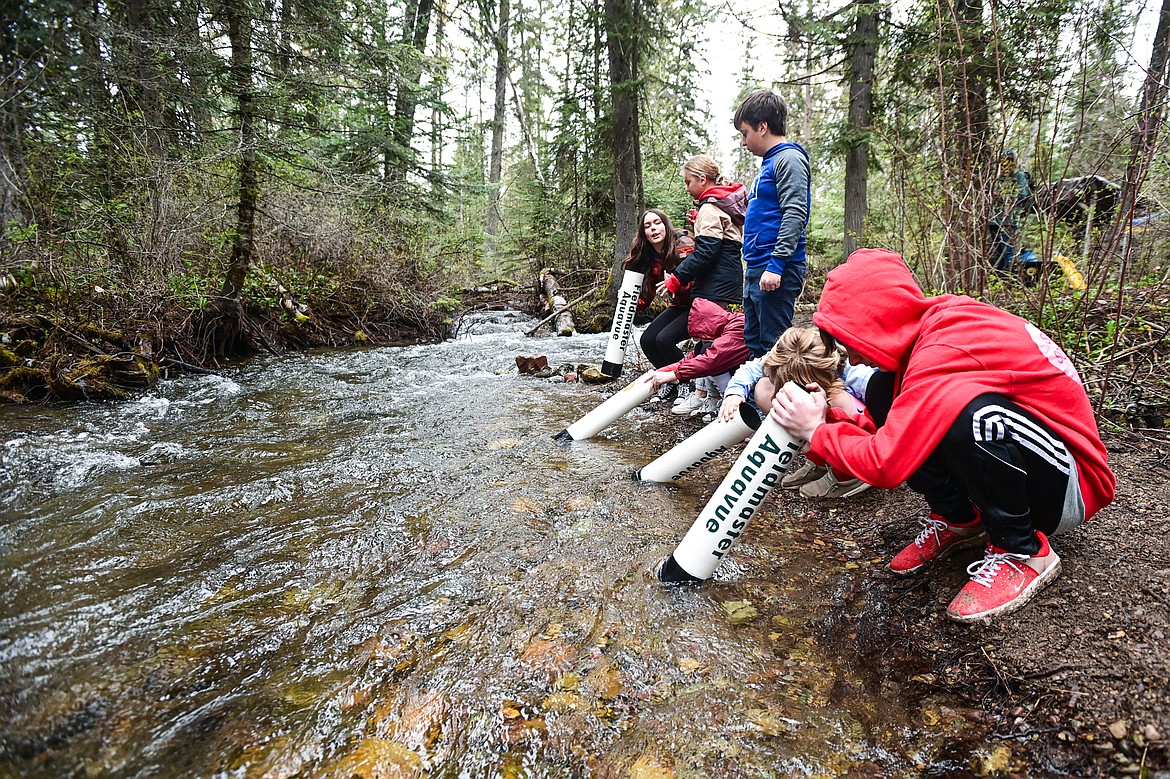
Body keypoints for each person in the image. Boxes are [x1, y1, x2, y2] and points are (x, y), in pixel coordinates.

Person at [769, 248, 1116, 623]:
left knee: (976, 416)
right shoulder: (930, 329)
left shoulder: (943, 350)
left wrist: (815, 431)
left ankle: (1023, 551)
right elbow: (893, 435)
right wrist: (830, 419)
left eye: (848, 342)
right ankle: (958, 518)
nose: (851, 360)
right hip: (1036, 467)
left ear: (874, 322)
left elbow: (886, 464)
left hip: (1072, 488)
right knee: (886, 390)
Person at [717, 326, 875, 499]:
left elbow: (887, 411)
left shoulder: (859, 374)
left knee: (838, 399)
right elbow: (750, 370)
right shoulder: (786, 355)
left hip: (858, 427)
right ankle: (820, 460)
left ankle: (848, 474)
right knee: (764, 387)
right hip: (819, 419)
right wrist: (734, 394)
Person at [733, 89, 811, 358]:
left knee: (774, 347)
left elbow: (795, 213)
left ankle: (782, 399)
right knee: (754, 342)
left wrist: (776, 265)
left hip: (776, 268)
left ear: (762, 127)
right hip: (757, 266)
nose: (744, 142)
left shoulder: (789, 159)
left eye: (745, 133)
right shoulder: (769, 164)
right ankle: (755, 401)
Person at [648, 298, 752, 422]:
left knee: (707, 354)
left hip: (755, 379)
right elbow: (692, 358)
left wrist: (674, 375)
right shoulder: (726, 325)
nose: (700, 340)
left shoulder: (737, 328)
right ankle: (716, 399)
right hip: (744, 371)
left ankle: (730, 404)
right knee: (702, 350)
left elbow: (711, 360)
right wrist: (663, 371)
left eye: (701, 336)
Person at [989, 151, 1033, 270]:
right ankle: (1001, 278)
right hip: (993, 220)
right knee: (998, 253)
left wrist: (1002, 196)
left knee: (1009, 252)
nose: (1004, 164)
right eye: (1002, 161)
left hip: (1009, 220)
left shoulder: (1019, 176)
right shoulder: (996, 178)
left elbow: (1022, 195)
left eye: (1008, 161)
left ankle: (1010, 279)